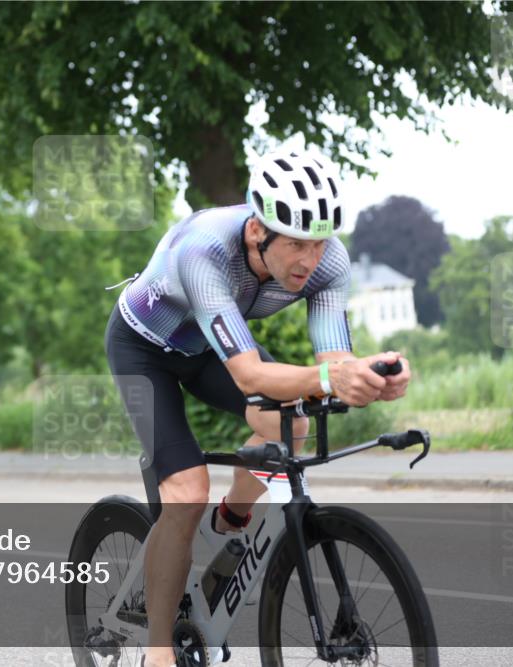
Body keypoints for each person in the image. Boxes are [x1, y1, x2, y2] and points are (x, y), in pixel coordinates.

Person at [103, 149, 412, 667]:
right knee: (186, 490)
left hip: (207, 348)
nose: (308, 260)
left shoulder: (329, 263)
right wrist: (329, 379)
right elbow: (248, 375)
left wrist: (368, 378)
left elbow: (331, 364)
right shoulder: (205, 251)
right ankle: (157, 651)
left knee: (291, 426)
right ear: (256, 234)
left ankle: (232, 518)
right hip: (144, 349)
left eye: (317, 243)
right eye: (295, 244)